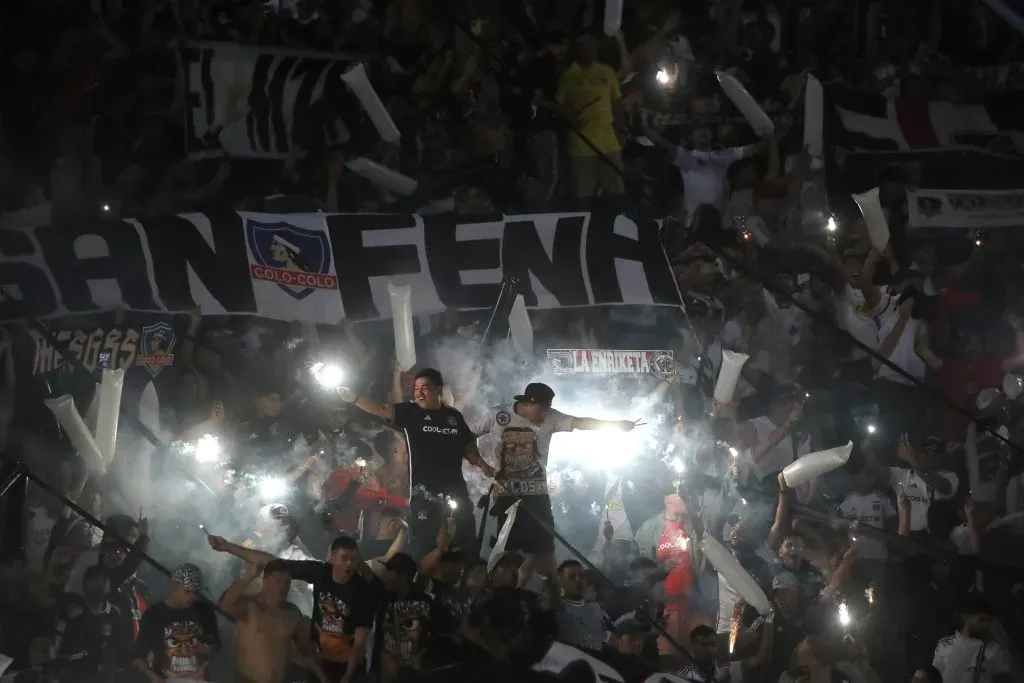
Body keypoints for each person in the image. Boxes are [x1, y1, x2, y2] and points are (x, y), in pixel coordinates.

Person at [474, 382, 635, 577]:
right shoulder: (497, 415)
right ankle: (508, 590)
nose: (545, 415)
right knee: (510, 551)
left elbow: (579, 422)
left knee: (545, 549)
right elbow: (468, 435)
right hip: (507, 494)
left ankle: (553, 591)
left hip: (537, 494)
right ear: (531, 404)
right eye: (543, 409)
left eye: (548, 408)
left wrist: (615, 426)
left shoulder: (551, 417)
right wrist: (482, 464)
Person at [339, 368, 493, 559]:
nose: (418, 393)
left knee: (465, 547)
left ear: (438, 390)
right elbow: (381, 409)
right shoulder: (410, 412)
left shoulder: (454, 417)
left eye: (425, 388)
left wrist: (482, 464)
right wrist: (354, 398)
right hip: (424, 497)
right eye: (416, 388)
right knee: (424, 549)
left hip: (457, 494)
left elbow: (468, 446)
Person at [208, 533, 380, 683]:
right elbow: (273, 562)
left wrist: (346, 678)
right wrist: (227, 546)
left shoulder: (361, 592)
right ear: (332, 557)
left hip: (348, 664)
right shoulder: (320, 573)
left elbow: (359, 643)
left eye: (354, 559)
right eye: (344, 558)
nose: (349, 564)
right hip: (321, 658)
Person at [218, 559, 329, 683]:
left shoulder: (292, 613)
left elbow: (307, 651)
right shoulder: (250, 606)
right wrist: (250, 575)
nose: (283, 587)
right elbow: (224, 604)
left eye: (287, 582)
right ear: (265, 581)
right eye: (278, 581)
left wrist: (324, 680)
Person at [133, 563, 220, 683]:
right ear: (174, 588)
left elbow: (215, 647)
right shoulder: (155, 613)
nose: (193, 596)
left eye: (195, 592)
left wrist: (207, 653)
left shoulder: (204, 611)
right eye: (188, 591)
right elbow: (138, 657)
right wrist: (152, 676)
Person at [54, 565, 131, 683]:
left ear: (110, 587)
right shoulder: (70, 606)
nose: (99, 584)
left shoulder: (114, 614)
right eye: (94, 579)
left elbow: (115, 650)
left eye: (104, 580)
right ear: (84, 586)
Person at [932, 594, 1012, 683]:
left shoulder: (994, 649)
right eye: (981, 620)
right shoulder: (945, 645)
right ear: (966, 618)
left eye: (989, 621)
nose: (986, 626)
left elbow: (1003, 678)